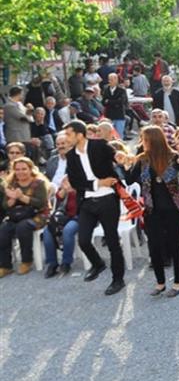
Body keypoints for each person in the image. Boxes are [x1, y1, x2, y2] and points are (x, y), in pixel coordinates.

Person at [124, 126, 179, 298]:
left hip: (174, 210)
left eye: (144, 139)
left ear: (153, 140)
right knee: (154, 247)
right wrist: (126, 164)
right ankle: (160, 283)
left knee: (174, 246)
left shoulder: (174, 157)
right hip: (152, 210)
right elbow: (129, 179)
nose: (142, 142)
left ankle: (178, 282)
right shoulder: (143, 159)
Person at [63, 120, 125, 295]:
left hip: (107, 200)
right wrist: (97, 183)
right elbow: (75, 182)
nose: (66, 138)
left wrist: (120, 159)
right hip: (88, 202)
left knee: (112, 241)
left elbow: (115, 156)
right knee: (83, 240)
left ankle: (118, 279)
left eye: (68, 134)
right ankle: (98, 264)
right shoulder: (71, 156)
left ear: (79, 134)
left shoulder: (99, 145)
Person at [0, 157, 50, 277]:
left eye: (24, 169)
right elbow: (5, 206)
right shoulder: (11, 184)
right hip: (17, 215)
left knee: (23, 227)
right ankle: (5, 265)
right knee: (3, 230)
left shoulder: (39, 183)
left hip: (38, 214)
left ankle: (27, 261)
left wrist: (22, 197)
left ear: (30, 169)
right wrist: (12, 198)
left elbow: (41, 203)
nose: (20, 172)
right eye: (17, 169)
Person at [101, 73, 128, 139]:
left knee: (119, 135)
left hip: (119, 115)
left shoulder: (121, 90)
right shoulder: (106, 89)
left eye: (112, 80)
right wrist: (115, 101)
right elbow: (103, 102)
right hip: (109, 115)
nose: (110, 81)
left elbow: (122, 101)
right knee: (109, 135)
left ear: (116, 80)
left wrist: (109, 101)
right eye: (109, 80)